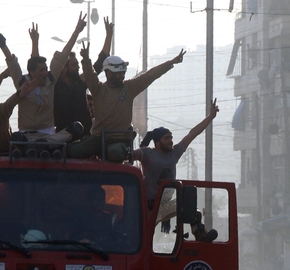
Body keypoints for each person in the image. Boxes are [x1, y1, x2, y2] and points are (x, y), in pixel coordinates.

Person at [68, 43, 186, 162]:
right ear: (108, 73)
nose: (122, 76)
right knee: (73, 151)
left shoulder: (129, 88)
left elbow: (150, 76)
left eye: (123, 73)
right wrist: (86, 59)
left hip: (120, 140)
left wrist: (170, 63)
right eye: (118, 73)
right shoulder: (98, 89)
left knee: (115, 153)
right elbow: (90, 75)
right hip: (98, 138)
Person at [0, 16, 86, 146]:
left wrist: (77, 31)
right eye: (41, 70)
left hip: (48, 134)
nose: (45, 73)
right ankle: (42, 145)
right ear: (32, 72)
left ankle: (43, 144)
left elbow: (63, 54)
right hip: (26, 135)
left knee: (77, 127)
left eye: (46, 69)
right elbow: (10, 59)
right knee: (16, 138)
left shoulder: (51, 79)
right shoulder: (22, 82)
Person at [132, 99, 220, 243]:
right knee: (143, 238)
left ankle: (199, 233)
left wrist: (210, 117)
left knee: (192, 210)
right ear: (157, 142)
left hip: (164, 205)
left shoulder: (174, 153)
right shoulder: (146, 153)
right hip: (148, 206)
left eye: (171, 138)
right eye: (167, 138)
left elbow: (192, 134)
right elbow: (127, 156)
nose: (171, 141)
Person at [53, 17, 114, 134]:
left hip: (84, 134)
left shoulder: (80, 81)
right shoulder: (54, 85)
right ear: (64, 69)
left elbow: (101, 61)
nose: (78, 67)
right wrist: (77, 31)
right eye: (74, 65)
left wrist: (109, 35)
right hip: (61, 134)